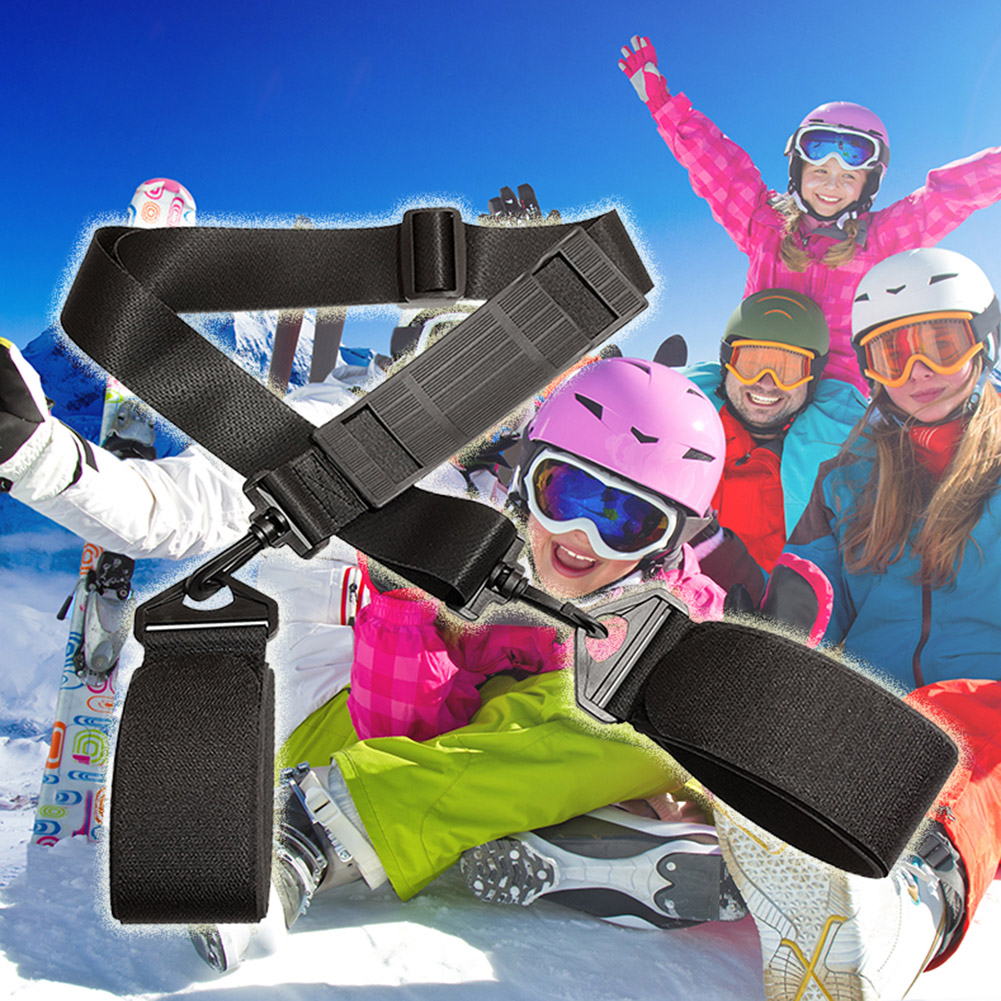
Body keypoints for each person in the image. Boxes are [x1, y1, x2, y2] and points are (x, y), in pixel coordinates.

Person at [0, 349, 746, 969]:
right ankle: (309, 826)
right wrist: (37, 455)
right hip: (315, 725)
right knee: (615, 711)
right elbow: (171, 509)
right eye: (567, 493)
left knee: (649, 709)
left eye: (629, 521)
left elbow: (687, 656)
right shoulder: (365, 445)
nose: (586, 532)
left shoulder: (586, 566)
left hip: (433, 736)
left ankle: (549, 836)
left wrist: (699, 773)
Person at [484, 249, 1001, 1001]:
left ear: (983, 340)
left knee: (965, 726)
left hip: (977, 731)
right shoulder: (852, 476)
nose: (919, 370)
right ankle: (675, 840)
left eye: (941, 345)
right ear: (870, 368)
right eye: (895, 353)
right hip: (866, 717)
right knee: (743, 706)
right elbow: (808, 586)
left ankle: (911, 896)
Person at [618, 35, 1001, 393]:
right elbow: (718, 166)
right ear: (798, 172)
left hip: (832, 392)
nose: (831, 186)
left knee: (816, 437)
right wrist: (663, 104)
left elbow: (945, 198)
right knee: (692, 394)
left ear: (867, 186)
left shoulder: (879, 239)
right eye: (819, 172)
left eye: (848, 177)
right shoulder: (763, 223)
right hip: (752, 372)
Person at [681, 288, 866, 596]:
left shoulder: (846, 455)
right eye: (751, 364)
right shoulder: (683, 426)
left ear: (812, 377)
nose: (767, 383)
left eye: (789, 370)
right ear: (726, 363)